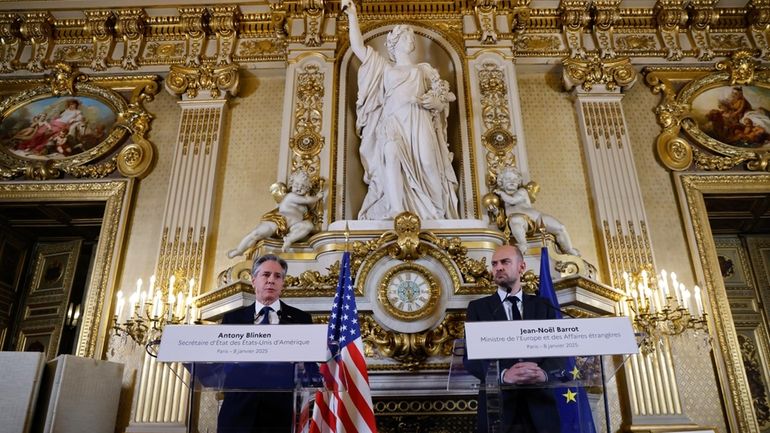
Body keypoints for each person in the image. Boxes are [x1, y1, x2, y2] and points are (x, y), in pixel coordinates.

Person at [342, 0, 460, 220]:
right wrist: (352, 15)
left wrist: (436, 103)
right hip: (393, 122)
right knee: (391, 155)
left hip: (419, 121)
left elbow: (443, 99)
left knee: (427, 162)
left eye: (411, 37)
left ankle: (436, 213)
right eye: (406, 36)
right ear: (394, 43)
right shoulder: (384, 68)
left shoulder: (423, 70)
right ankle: (397, 210)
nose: (410, 39)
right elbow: (359, 48)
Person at [464, 245, 562, 433]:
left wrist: (544, 374)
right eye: (494, 264)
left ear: (521, 267)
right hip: (498, 408)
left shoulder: (544, 306)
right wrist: (502, 375)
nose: (498, 267)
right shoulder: (478, 308)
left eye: (505, 262)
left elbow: (559, 349)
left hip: (540, 407)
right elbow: (470, 357)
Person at [217, 254, 315, 433]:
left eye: (277, 276)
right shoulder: (233, 319)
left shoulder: (301, 319)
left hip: (280, 415)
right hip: (237, 414)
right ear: (254, 280)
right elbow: (222, 364)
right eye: (266, 275)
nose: (271, 280)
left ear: (283, 283)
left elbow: (309, 367)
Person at [227, 170, 324, 257]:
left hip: (291, 228)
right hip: (278, 221)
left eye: (303, 186)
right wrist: (318, 197)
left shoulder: (304, 209)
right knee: (257, 233)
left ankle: (289, 239)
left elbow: (307, 218)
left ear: (307, 189)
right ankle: (239, 250)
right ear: (291, 184)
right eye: (296, 185)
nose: (299, 188)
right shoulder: (291, 196)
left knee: (308, 225)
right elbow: (307, 199)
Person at [494, 166, 578, 256]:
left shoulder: (521, 192)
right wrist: (495, 211)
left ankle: (568, 249)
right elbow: (502, 219)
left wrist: (501, 193)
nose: (512, 181)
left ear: (518, 182)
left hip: (538, 219)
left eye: (515, 179)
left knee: (561, 227)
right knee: (515, 220)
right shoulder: (501, 200)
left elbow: (512, 200)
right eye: (508, 178)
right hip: (522, 222)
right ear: (501, 182)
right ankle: (523, 244)